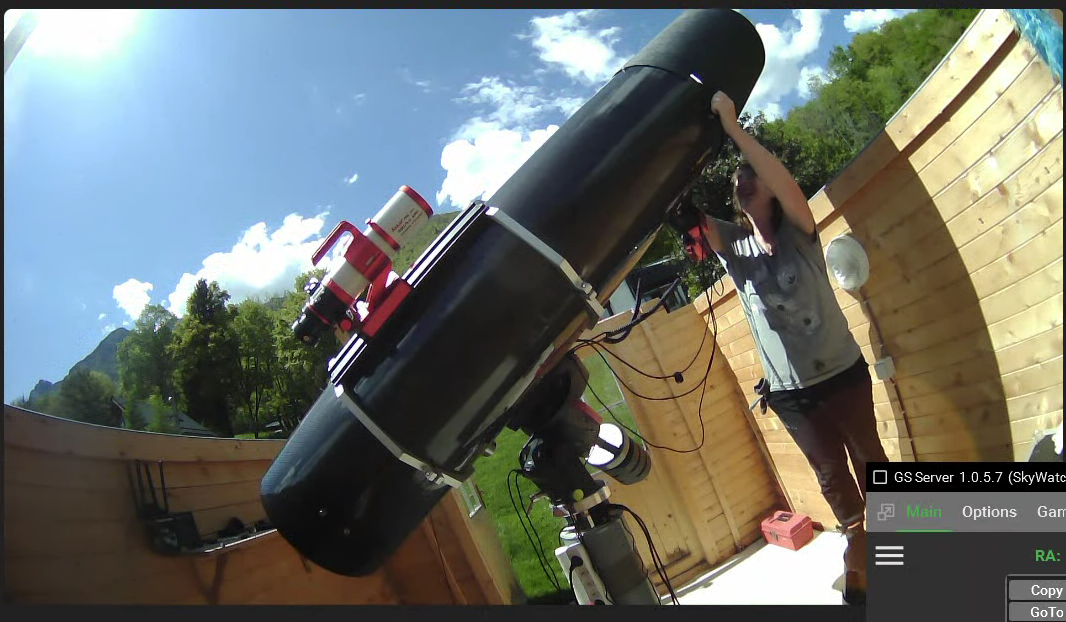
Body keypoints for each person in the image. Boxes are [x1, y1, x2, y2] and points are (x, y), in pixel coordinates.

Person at [699, 91, 889, 605]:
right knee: (830, 476)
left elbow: (776, 175)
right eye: (735, 179)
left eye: (749, 175)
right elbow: (682, 217)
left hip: (842, 373)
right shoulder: (733, 246)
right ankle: (859, 551)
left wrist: (733, 129)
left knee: (870, 460)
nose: (741, 180)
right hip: (790, 394)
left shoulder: (800, 230)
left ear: (769, 189)